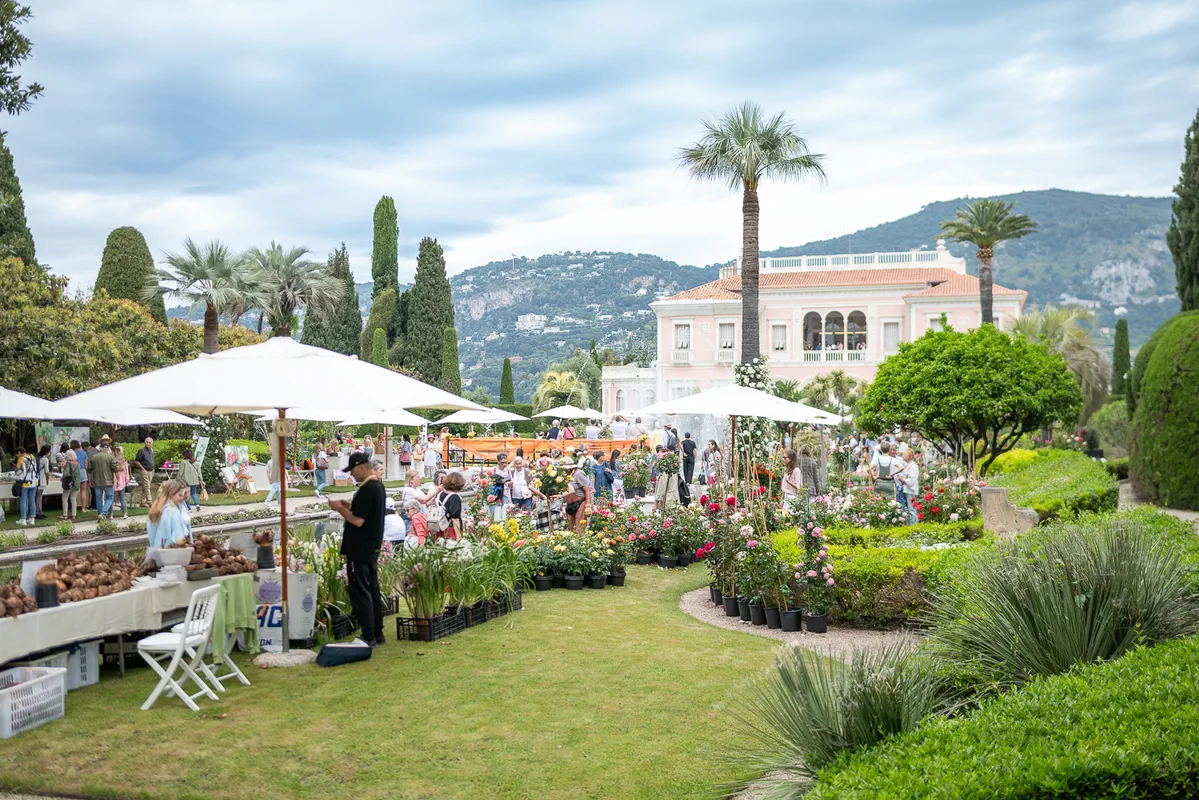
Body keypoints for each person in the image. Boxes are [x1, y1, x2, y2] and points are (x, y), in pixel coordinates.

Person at [328, 452, 387, 647]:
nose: (352, 475)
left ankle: (368, 634)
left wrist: (339, 508)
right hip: (372, 546)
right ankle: (377, 632)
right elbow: (364, 511)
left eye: (352, 471)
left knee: (361, 590)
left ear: (361, 467)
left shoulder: (367, 489)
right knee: (372, 588)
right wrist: (349, 505)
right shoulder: (378, 486)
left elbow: (358, 520)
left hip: (360, 547)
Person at [147, 479, 192, 548]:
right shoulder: (173, 511)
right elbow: (177, 536)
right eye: (180, 495)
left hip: (159, 548)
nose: (182, 498)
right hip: (173, 551)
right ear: (171, 493)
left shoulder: (158, 508)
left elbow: (152, 532)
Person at [429, 471, 466, 539]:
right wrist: (459, 536)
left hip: (440, 527)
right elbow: (455, 518)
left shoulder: (441, 494)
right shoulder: (455, 497)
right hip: (450, 529)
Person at [90, 437, 117, 520]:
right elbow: (115, 468)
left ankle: (100, 514)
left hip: (97, 481)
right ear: (107, 449)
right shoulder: (111, 457)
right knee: (110, 497)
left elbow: (89, 469)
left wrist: (90, 480)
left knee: (98, 499)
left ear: (100, 448)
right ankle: (103, 513)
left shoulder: (94, 457)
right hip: (108, 481)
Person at [565, 459, 592, 532]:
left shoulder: (579, 474)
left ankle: (581, 541)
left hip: (580, 503)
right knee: (571, 528)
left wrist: (588, 506)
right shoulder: (564, 476)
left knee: (579, 527)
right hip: (570, 504)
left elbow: (587, 490)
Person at [13, 447, 38, 526]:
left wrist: (14, 468)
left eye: (17, 454)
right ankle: (32, 519)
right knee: (32, 500)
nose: (17, 456)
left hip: (24, 482)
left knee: (23, 500)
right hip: (34, 482)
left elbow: (18, 472)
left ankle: (23, 519)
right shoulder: (32, 457)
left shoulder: (21, 459)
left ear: (19, 452)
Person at [897, 448, 920, 524]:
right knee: (909, 509)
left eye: (904, 454)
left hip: (911, 490)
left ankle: (914, 525)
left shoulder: (913, 466)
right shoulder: (908, 465)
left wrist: (903, 480)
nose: (903, 456)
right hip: (907, 489)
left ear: (909, 456)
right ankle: (911, 524)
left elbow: (912, 479)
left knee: (912, 509)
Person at [60, 450, 81, 521]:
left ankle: (65, 514)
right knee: (73, 499)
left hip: (68, 483)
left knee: (64, 498)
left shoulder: (68, 464)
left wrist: (62, 478)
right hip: (76, 483)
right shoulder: (78, 464)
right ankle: (73, 515)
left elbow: (66, 474)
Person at [134, 437, 155, 508]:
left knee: (145, 487)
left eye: (150, 442)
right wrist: (142, 469)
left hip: (151, 470)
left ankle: (142, 502)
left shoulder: (152, 450)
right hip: (144, 470)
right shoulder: (141, 450)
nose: (148, 443)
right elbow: (136, 461)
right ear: (145, 442)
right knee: (147, 486)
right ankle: (150, 501)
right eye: (147, 442)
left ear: (152, 443)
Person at [490, 453, 511, 522]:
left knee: (505, 515)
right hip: (496, 495)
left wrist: (510, 483)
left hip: (506, 494)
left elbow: (510, 484)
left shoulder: (507, 471)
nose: (504, 464)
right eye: (502, 463)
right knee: (496, 515)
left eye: (505, 462)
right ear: (498, 462)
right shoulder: (494, 470)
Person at [113, 445, 131, 520]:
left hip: (114, 481)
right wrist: (127, 481)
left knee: (111, 498)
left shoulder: (113, 461)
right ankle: (125, 514)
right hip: (122, 481)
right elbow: (126, 473)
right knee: (122, 498)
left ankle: (111, 515)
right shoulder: (124, 462)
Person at [34, 444, 51, 520]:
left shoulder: (36, 457)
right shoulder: (45, 459)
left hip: (35, 478)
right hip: (42, 479)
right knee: (39, 497)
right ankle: (38, 512)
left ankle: (39, 511)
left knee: (38, 496)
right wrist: (47, 479)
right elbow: (47, 471)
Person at [74, 440, 90, 511]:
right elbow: (86, 464)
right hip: (83, 472)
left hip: (76, 472)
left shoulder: (74, 453)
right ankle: (83, 508)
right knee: (83, 491)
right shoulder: (84, 453)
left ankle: (73, 508)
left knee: (74, 491)